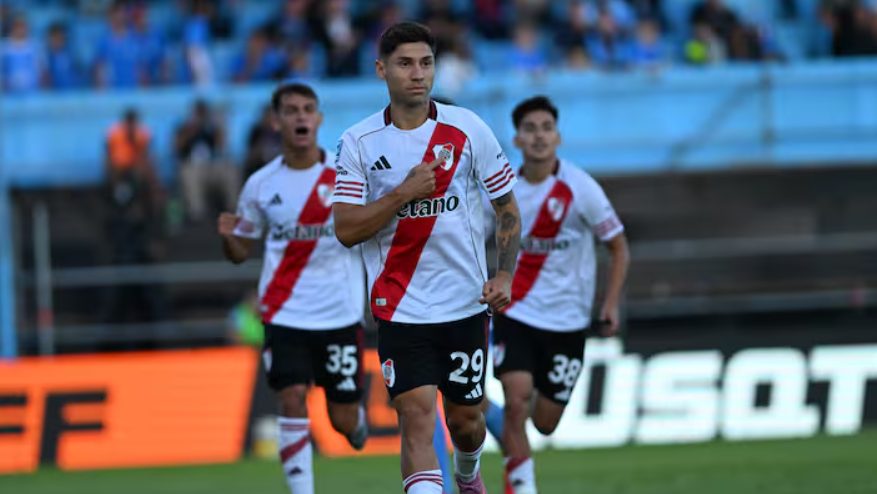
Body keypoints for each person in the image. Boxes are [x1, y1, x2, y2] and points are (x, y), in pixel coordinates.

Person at [332, 21, 521, 494]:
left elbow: (507, 207)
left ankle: (467, 473)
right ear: (381, 70)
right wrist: (404, 192)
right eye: (405, 64)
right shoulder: (358, 142)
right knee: (416, 418)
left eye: (426, 63)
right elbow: (346, 229)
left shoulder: (468, 128)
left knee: (466, 423)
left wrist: (505, 275)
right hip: (400, 308)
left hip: (465, 304)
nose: (417, 73)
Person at [217, 82, 369, 494]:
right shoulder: (261, 184)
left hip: (339, 314)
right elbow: (240, 251)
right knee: (291, 397)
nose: (300, 116)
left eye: (307, 109)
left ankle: (355, 422)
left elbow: (370, 226)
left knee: (341, 418)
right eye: (291, 110)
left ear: (319, 119)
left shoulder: (346, 175)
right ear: (276, 122)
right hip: (285, 312)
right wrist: (230, 239)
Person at [493, 96, 630, 494]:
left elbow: (618, 246)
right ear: (517, 139)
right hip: (516, 312)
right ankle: (524, 488)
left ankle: (488, 414)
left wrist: (609, 303)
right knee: (516, 401)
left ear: (558, 137)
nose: (539, 136)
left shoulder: (581, 188)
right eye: (530, 129)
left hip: (568, 321)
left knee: (545, 422)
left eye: (546, 128)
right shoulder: (503, 190)